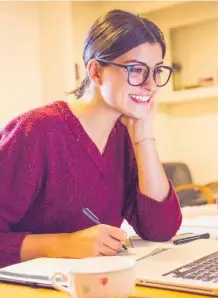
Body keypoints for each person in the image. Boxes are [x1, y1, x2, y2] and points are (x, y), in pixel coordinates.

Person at [0, 9, 182, 268]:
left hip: (96, 287)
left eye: (157, 71)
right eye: (137, 70)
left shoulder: (125, 136)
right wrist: (63, 244)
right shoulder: (35, 131)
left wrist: (143, 135)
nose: (151, 85)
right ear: (96, 72)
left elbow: (161, 229)